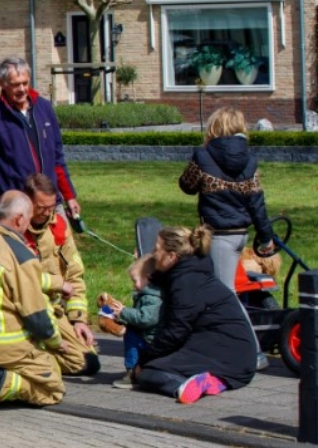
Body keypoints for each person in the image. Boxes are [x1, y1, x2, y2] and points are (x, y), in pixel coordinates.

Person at [178, 105, 273, 370]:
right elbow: (257, 203)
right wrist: (266, 237)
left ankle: (253, 352)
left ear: (214, 127)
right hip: (241, 234)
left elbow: (186, 185)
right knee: (210, 290)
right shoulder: (250, 160)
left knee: (226, 295)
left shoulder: (203, 155)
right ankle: (210, 344)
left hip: (218, 236)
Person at [0, 191, 66, 413]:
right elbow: (36, 316)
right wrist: (56, 342)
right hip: (6, 346)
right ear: (19, 219)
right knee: (53, 387)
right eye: (27, 221)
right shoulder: (21, 255)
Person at [129, 224, 256, 403]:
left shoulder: (185, 283)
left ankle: (186, 385)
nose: (153, 254)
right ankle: (213, 381)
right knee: (156, 365)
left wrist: (143, 361)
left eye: (157, 249)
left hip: (227, 354)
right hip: (236, 354)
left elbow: (175, 332)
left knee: (149, 373)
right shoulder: (191, 273)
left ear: (172, 256)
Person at [0, 56, 78, 221]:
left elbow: (57, 158)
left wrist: (69, 195)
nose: (22, 89)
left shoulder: (45, 108)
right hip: (17, 211)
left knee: (62, 246)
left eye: (25, 83)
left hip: (50, 204)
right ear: (1, 83)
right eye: (15, 84)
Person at [21, 173, 100, 376]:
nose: (47, 213)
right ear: (26, 202)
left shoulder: (59, 227)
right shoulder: (14, 229)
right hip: (23, 310)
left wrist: (78, 320)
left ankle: (38, 354)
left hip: (53, 310)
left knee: (87, 361)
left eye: (51, 207)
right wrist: (57, 283)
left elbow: (75, 275)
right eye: (41, 208)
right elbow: (17, 278)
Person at [98, 260, 165, 390]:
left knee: (131, 339)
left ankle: (133, 372)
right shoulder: (146, 295)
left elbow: (145, 319)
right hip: (146, 334)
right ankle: (133, 369)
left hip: (150, 338)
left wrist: (124, 311)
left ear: (148, 278)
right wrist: (120, 316)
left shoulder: (153, 298)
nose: (133, 285)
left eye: (135, 281)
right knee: (130, 334)